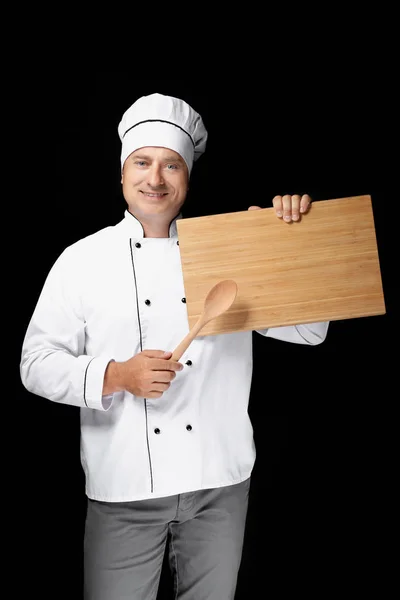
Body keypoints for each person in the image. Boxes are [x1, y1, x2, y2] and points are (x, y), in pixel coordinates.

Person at [20, 92, 330, 600]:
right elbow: (35, 365)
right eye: (142, 163)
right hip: (124, 491)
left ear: (187, 176)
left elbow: (310, 331)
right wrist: (116, 375)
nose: (155, 178)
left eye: (171, 165)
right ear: (122, 172)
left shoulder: (230, 250)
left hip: (218, 485)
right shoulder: (81, 260)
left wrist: (287, 248)